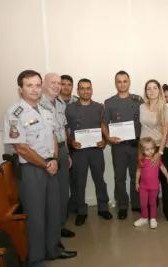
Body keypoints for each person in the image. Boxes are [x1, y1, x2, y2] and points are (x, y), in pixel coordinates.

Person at [3, 70, 76, 267]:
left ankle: (52, 250)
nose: (34, 90)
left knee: (53, 211)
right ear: (21, 89)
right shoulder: (14, 113)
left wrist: (53, 159)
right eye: (29, 86)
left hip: (50, 165)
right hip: (31, 170)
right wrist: (45, 164)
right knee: (36, 216)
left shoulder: (45, 110)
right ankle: (35, 260)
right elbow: (21, 148)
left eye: (37, 85)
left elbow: (53, 135)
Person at [65, 78, 113, 226]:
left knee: (100, 180)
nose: (86, 91)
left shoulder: (99, 107)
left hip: (96, 151)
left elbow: (105, 126)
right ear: (77, 91)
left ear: (92, 90)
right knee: (79, 183)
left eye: (88, 88)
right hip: (79, 152)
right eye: (82, 88)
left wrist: (105, 141)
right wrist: (70, 141)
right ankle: (81, 211)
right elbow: (65, 129)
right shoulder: (70, 108)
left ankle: (103, 208)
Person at [102, 70, 144, 220]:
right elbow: (104, 123)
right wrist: (108, 138)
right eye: (119, 81)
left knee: (136, 176)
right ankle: (123, 206)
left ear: (129, 82)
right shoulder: (109, 102)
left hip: (136, 145)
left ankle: (136, 203)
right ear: (115, 84)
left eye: (124, 81)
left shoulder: (138, 100)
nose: (122, 84)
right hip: (118, 146)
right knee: (119, 177)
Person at [40, 73, 75, 242]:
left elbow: (63, 131)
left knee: (62, 192)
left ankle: (60, 227)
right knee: (50, 195)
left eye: (58, 83)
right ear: (44, 84)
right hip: (45, 154)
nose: (57, 86)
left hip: (61, 149)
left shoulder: (60, 104)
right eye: (52, 83)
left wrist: (66, 153)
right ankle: (51, 233)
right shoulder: (38, 104)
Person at [140, 80, 168, 221]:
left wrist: (159, 152)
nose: (152, 91)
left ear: (159, 91)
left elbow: (166, 132)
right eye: (149, 88)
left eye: (155, 88)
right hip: (144, 150)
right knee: (148, 182)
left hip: (161, 148)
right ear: (146, 91)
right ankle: (148, 213)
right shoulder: (141, 107)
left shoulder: (164, 108)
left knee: (165, 181)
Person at [134, 137, 168, 228]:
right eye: (147, 149)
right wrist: (136, 183)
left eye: (152, 148)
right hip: (143, 187)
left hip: (154, 187)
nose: (151, 151)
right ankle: (144, 217)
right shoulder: (141, 161)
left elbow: (163, 168)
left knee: (152, 203)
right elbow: (138, 171)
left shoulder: (156, 160)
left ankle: (153, 218)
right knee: (143, 204)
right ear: (142, 150)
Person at [60, 74, 79, 214]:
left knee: (76, 178)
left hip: (77, 145)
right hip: (60, 146)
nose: (66, 87)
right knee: (61, 180)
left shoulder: (78, 101)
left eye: (69, 84)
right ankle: (63, 209)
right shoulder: (52, 102)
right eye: (63, 84)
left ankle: (74, 206)